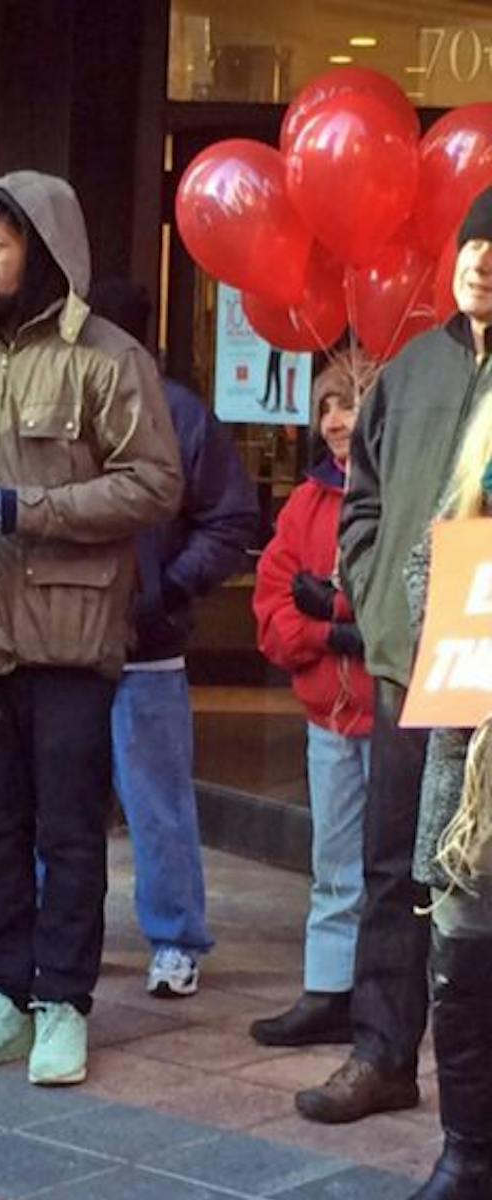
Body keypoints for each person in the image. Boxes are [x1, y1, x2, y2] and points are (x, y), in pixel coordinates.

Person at [0, 171, 182, 1089]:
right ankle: (0, 999)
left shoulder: (108, 358)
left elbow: (154, 484)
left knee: (68, 831)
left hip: (70, 632)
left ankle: (62, 1002)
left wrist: (23, 507)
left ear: (45, 251)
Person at [301, 186, 492, 1126]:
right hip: (407, 657)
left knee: (476, 878)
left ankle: (474, 1085)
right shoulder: (413, 370)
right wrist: (377, 592)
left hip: (491, 678)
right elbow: (362, 496)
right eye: (473, 243)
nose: (483, 261)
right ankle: (381, 1053)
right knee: (391, 866)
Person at [84, 277, 260, 999]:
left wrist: (171, 590)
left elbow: (231, 518)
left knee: (157, 805)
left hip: (146, 647)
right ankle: (65, 934)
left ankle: (177, 939)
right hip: (63, 642)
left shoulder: (181, 414)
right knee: (60, 806)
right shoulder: (66, 406)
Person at [385, 394, 492, 1200]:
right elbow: (438, 655)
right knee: (461, 973)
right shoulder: (450, 538)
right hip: (472, 806)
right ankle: (466, 1155)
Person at [250, 354, 378, 1048]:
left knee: (397, 873)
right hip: (328, 720)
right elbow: (272, 616)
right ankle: (328, 991)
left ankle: (389, 1002)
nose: (334, 420)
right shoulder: (304, 504)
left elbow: (408, 601)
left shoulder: (409, 494)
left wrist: (336, 608)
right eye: (327, 404)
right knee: (333, 865)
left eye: (349, 404)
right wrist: (339, 631)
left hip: (396, 718)